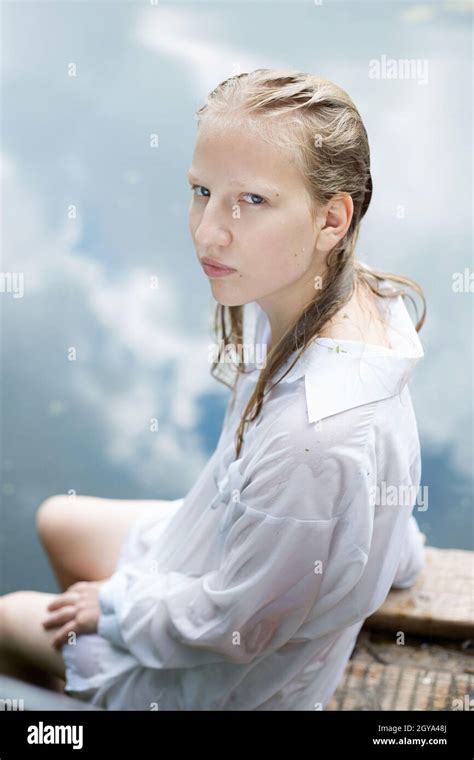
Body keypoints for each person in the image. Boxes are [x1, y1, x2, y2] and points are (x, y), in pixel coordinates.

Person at [0, 68, 427, 710]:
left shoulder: (311, 440)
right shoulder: (335, 288)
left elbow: (233, 627)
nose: (208, 232)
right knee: (57, 519)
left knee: (9, 618)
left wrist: (114, 609)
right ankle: (87, 672)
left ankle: (95, 691)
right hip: (224, 542)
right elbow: (376, 480)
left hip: (233, 679)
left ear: (332, 218)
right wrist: (398, 557)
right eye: (202, 190)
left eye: (252, 200)